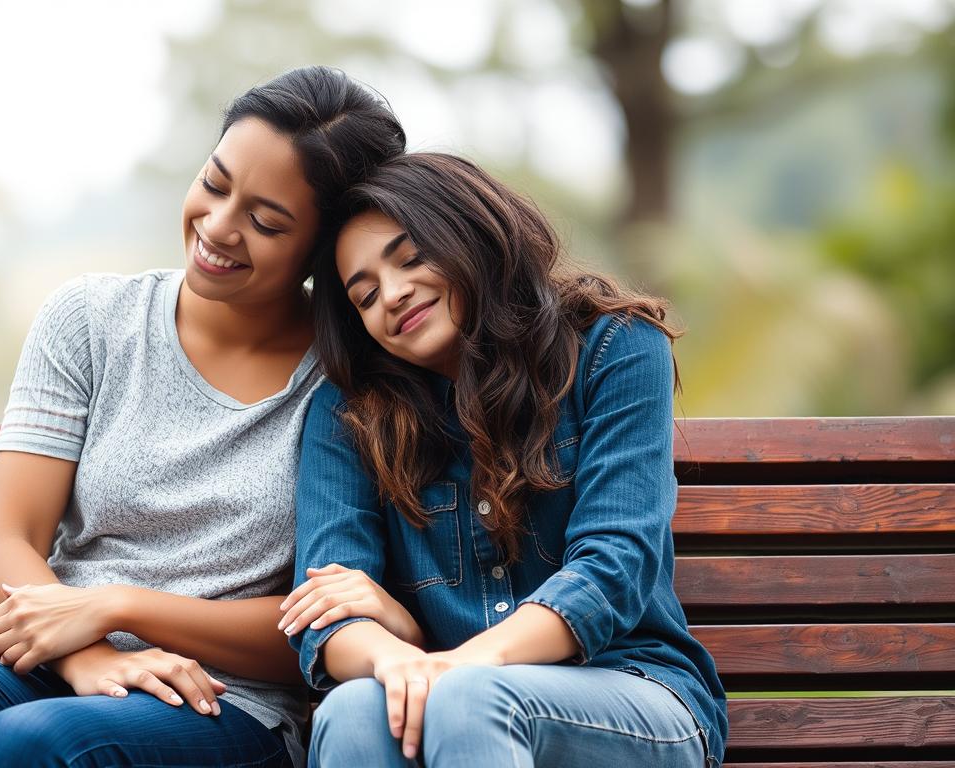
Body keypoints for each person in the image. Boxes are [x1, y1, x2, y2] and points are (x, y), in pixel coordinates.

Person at [0, 66, 405, 768]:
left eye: (266, 222)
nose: (219, 226)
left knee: (37, 741)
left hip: (223, 707)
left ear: (320, 251)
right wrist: (88, 659)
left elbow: (318, 625)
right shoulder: (90, 321)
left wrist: (120, 607)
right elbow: (9, 542)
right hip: (57, 669)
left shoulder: (349, 386)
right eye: (214, 182)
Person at [281, 152, 728, 767]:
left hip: (631, 690)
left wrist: (460, 665)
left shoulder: (612, 348)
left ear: (470, 233)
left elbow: (614, 567)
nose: (393, 294)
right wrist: (398, 650)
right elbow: (325, 611)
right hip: (448, 696)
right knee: (353, 713)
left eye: (412, 259)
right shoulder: (350, 413)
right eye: (364, 295)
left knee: (471, 699)